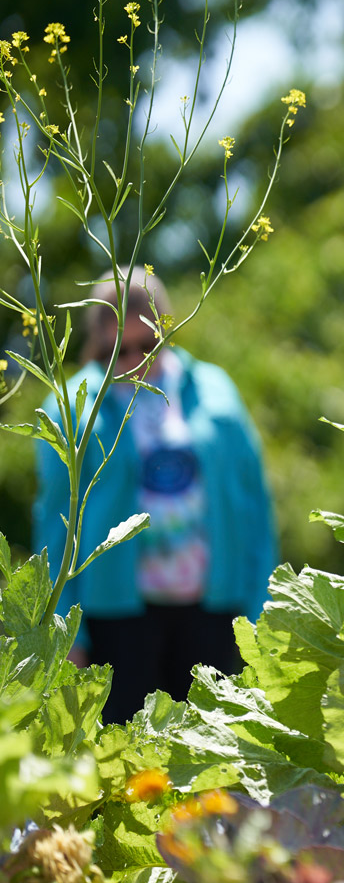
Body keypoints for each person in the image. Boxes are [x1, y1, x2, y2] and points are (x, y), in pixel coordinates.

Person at [33, 268, 277, 724]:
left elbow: (254, 505)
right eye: (115, 351)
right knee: (127, 759)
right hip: (117, 615)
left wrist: (260, 605)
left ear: (167, 329)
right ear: (95, 345)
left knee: (207, 755)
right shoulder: (70, 406)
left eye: (146, 346)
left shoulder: (215, 390)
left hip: (211, 607)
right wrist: (66, 631)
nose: (131, 361)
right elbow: (53, 524)